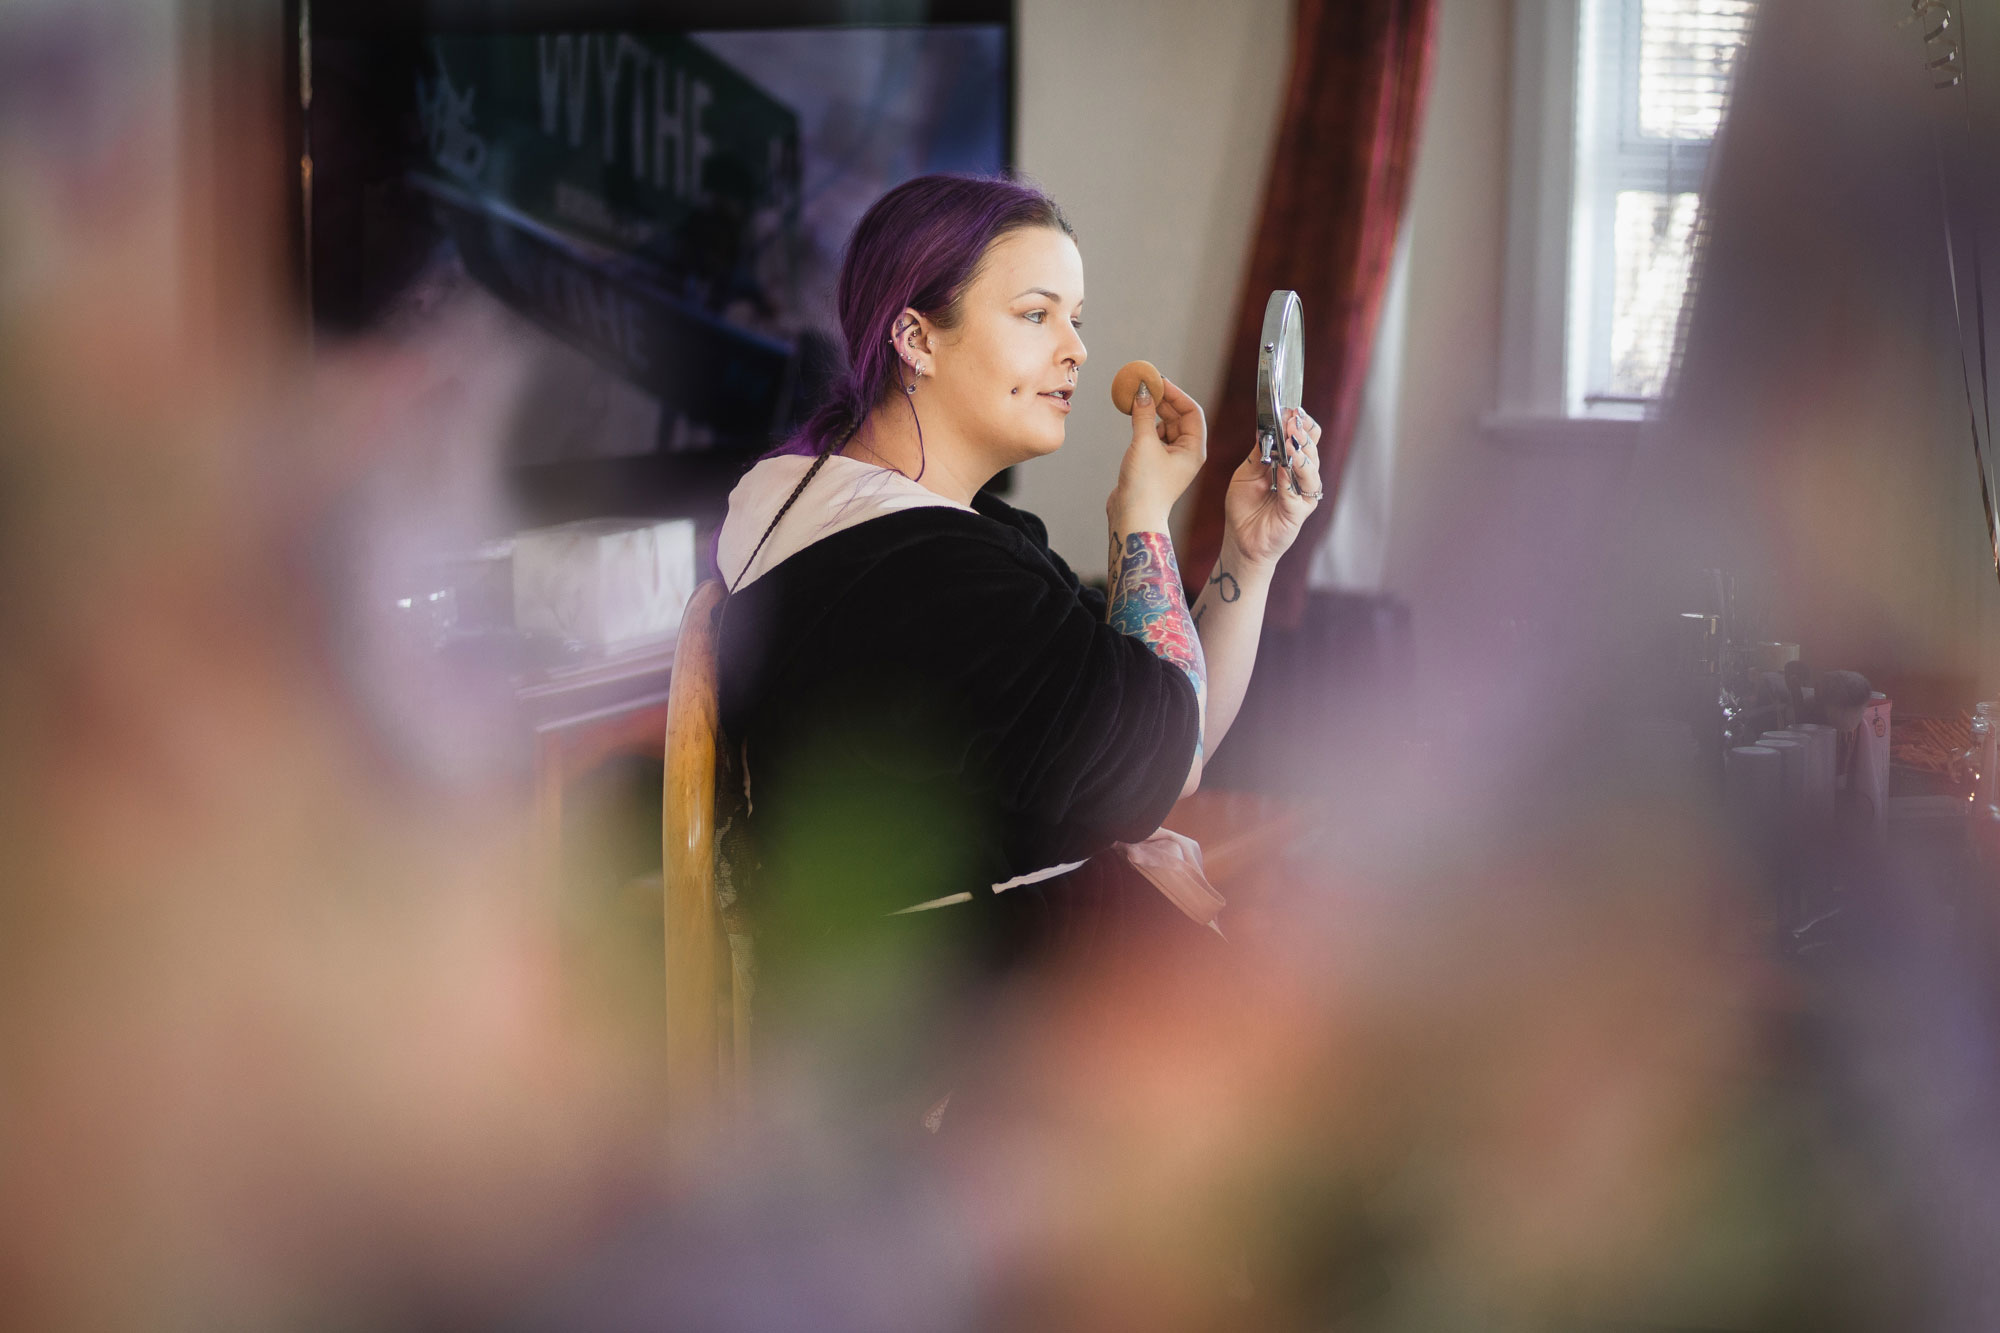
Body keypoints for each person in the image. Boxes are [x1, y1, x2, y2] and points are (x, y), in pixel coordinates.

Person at [713, 174, 1322, 1057]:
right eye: (1038, 315)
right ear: (916, 337)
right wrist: (1141, 517)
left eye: (1077, 317)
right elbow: (1161, 760)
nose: (1076, 349)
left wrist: (1248, 554)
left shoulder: (915, 532)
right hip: (968, 1055)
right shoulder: (919, 577)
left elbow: (1170, 743)